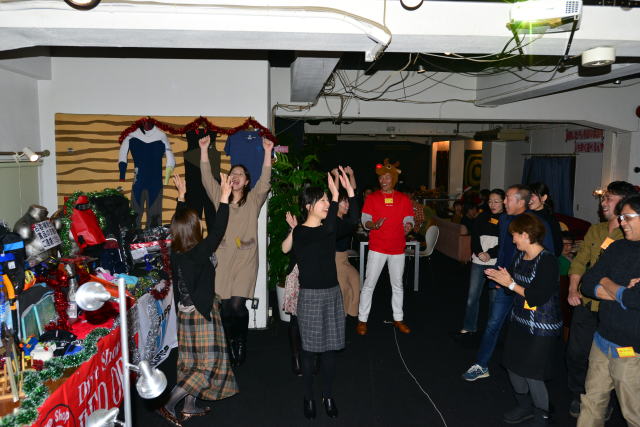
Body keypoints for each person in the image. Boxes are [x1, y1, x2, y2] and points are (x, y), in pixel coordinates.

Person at [157, 173, 238, 426]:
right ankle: (168, 403)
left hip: (185, 314)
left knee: (191, 363)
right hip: (201, 315)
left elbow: (179, 223)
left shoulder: (177, 249)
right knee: (207, 365)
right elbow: (219, 230)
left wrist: (181, 198)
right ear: (194, 228)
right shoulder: (199, 251)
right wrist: (224, 198)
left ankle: (190, 406)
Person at [462, 184, 555, 381]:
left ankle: (526, 371)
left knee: (524, 328)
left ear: (521, 202)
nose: (504, 202)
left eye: (508, 198)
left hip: (527, 287)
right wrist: (500, 275)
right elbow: (504, 249)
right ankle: (481, 364)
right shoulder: (504, 219)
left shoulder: (537, 223)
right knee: (493, 323)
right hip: (505, 280)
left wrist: (531, 285)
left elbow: (548, 256)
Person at [200, 134, 273, 366]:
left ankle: (239, 341)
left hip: (246, 258)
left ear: (247, 181)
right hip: (222, 257)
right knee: (224, 307)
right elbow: (206, 179)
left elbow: (265, 180)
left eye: (240, 174)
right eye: (232, 173)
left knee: (237, 304)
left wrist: (267, 153)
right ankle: (228, 341)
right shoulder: (220, 198)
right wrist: (204, 150)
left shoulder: (254, 200)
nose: (235, 176)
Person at [565, 181, 637, 418]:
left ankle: (608, 402)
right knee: (576, 353)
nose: (603, 203)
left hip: (620, 322)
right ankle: (579, 394)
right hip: (589, 306)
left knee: (617, 370)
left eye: (609, 198)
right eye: (603, 198)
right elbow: (582, 266)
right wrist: (574, 289)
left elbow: (633, 296)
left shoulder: (627, 236)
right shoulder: (598, 232)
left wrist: (609, 287)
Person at [486, 213, 562, 426]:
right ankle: (524, 405)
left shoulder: (548, 261)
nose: (513, 240)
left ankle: (542, 414)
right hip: (520, 319)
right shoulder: (521, 256)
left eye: (515, 235)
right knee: (512, 364)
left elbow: (537, 296)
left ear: (526, 235)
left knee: (532, 373)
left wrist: (510, 284)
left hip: (542, 326)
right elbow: (512, 287)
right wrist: (502, 280)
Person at [293, 168, 355, 419]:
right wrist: (335, 194)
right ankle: (309, 397)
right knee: (309, 353)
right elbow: (328, 229)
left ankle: (327, 395)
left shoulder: (330, 227)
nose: (327, 204)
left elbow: (353, 221)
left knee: (330, 351)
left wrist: (348, 192)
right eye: (322, 201)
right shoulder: (301, 232)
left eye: (327, 200)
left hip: (332, 295)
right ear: (308, 206)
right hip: (310, 297)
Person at [356, 161, 414, 335]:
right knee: (369, 285)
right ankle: (362, 320)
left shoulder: (403, 199)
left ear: (394, 179)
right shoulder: (372, 198)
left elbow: (409, 218)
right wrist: (373, 225)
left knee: (397, 285)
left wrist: (408, 225)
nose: (383, 181)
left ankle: (398, 318)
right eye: (381, 178)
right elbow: (365, 220)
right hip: (377, 248)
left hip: (397, 249)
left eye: (387, 177)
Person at [457, 188, 505, 336]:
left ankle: (491, 329)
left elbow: (505, 243)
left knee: (494, 299)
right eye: (490, 201)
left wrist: (490, 254)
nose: (492, 204)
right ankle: (469, 326)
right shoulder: (482, 216)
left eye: (496, 201)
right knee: (472, 297)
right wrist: (479, 253)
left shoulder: (507, 219)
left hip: (496, 261)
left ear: (504, 202)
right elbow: (475, 237)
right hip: (478, 260)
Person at [333, 167, 360, 317]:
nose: (347, 205)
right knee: (343, 288)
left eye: (347, 203)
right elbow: (335, 193)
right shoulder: (332, 220)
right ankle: (341, 315)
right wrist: (336, 177)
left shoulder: (346, 220)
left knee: (355, 280)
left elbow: (353, 193)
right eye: (344, 203)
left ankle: (351, 312)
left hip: (344, 258)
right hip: (335, 259)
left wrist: (351, 174)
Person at [281, 211, 302, 376]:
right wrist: (295, 229)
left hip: (315, 276)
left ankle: (314, 355)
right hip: (297, 276)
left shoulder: (324, 225)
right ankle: (296, 357)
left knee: (314, 319)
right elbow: (285, 249)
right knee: (295, 319)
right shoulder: (298, 225)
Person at [527, 182, 563, 257]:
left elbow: (557, 248)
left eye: (532, 195)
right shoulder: (526, 214)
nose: (528, 199)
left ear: (544, 198)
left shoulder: (549, 220)